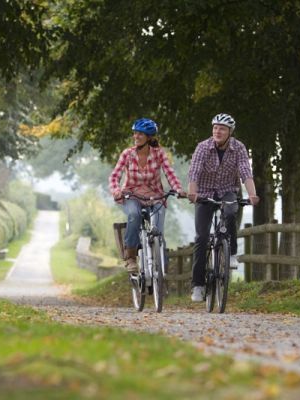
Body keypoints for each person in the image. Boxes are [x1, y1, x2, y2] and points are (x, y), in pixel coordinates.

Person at [187, 113, 260, 302]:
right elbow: (194, 172)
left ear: (230, 132)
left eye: (222, 129)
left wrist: (252, 194)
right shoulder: (203, 147)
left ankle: (232, 252)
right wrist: (192, 193)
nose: (217, 132)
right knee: (201, 237)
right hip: (204, 192)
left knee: (230, 212)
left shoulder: (239, 148)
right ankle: (198, 285)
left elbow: (245, 172)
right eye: (215, 128)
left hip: (228, 190)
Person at [109, 118, 185, 273]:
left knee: (158, 229)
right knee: (134, 215)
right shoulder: (127, 154)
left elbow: (170, 173)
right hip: (132, 195)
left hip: (155, 196)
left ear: (149, 137)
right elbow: (114, 176)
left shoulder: (159, 154)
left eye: (140, 134)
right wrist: (116, 190)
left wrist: (177, 189)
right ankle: (130, 256)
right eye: (135, 133)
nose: (136, 136)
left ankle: (160, 266)